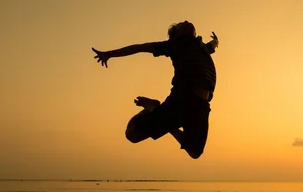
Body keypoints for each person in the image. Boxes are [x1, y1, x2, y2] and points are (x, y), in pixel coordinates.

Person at [92, 21, 218, 159]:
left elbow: (213, 45)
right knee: (132, 134)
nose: (186, 21)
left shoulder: (202, 47)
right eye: (181, 24)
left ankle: (156, 109)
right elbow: (139, 48)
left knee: (195, 152)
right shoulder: (174, 44)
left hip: (201, 105)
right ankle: (153, 109)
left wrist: (215, 41)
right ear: (176, 35)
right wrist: (109, 54)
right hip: (182, 99)